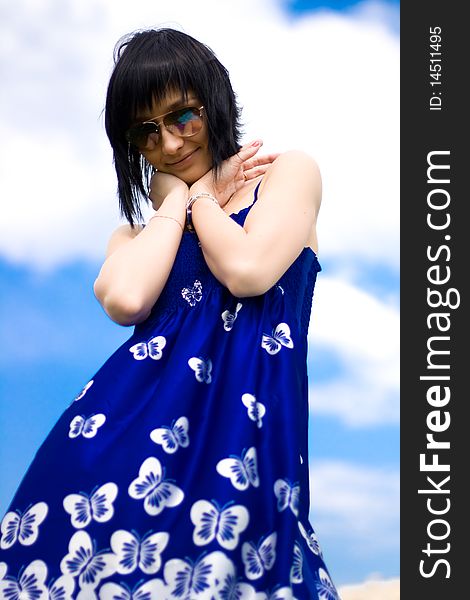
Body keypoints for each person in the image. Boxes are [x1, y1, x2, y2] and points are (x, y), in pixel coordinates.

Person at [0, 27, 340, 600]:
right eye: (145, 133)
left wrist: (203, 196)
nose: (172, 144)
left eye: (184, 117)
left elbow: (249, 270)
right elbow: (127, 301)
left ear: (215, 102)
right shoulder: (135, 233)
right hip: (111, 466)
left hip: (244, 449)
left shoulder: (286, 175)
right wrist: (181, 199)